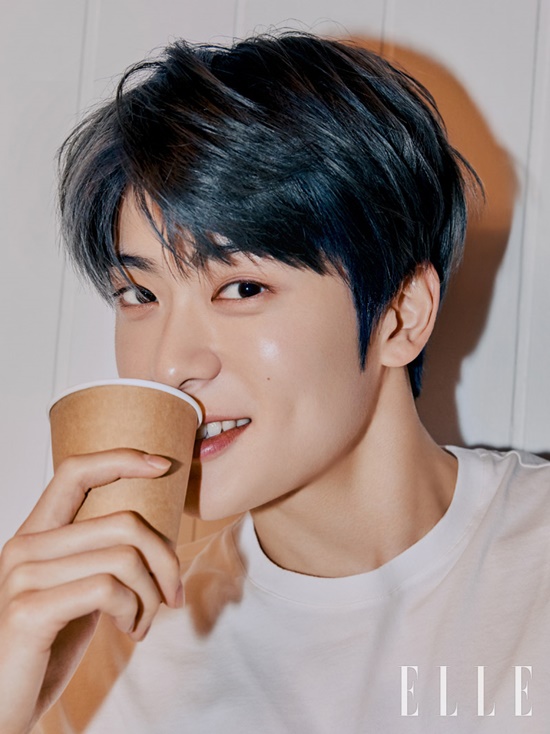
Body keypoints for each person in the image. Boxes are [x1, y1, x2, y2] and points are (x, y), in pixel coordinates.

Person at [1, 32, 549, 734]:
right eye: (139, 294)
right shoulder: (101, 649)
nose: (169, 365)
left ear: (401, 315)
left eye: (242, 287)